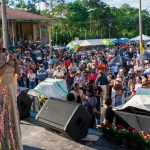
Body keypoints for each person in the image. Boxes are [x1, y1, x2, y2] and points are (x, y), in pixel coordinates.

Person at [0, 44, 23, 150]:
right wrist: (8, 62)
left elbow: (18, 72)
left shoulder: (6, 55)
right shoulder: (5, 59)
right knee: (3, 117)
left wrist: (16, 61)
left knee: (12, 116)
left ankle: (14, 143)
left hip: (11, 91)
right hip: (2, 91)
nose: (1, 44)